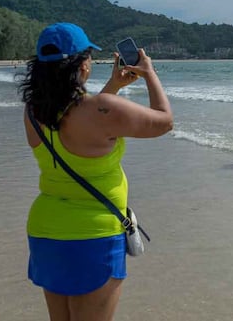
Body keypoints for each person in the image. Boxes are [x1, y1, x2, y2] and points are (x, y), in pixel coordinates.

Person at [19, 22, 173, 321]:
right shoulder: (102, 109)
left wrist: (114, 86)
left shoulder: (34, 111)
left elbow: (78, 120)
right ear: (81, 65)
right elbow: (164, 122)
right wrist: (149, 72)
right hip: (93, 235)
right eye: (88, 56)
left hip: (45, 230)